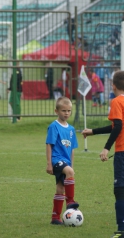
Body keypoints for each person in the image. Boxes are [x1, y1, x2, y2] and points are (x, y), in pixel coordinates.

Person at [81, 70, 124, 238]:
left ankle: (122, 230)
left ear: (113, 86)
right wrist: (93, 131)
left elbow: (118, 127)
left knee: (119, 189)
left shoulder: (116, 101)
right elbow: (117, 125)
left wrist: (106, 148)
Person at [46, 96, 79, 225]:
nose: (66, 113)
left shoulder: (71, 129)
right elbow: (49, 144)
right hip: (56, 160)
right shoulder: (54, 126)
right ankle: (70, 201)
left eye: (69, 111)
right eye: (63, 110)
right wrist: (49, 164)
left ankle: (55, 217)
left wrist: (71, 165)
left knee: (60, 189)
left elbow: (72, 150)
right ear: (56, 111)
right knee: (69, 173)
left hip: (66, 161)